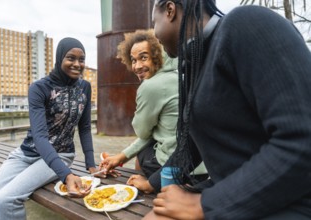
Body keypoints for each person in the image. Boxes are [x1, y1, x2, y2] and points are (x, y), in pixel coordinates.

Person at [144, 0, 311, 219]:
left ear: (170, 10)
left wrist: (204, 205)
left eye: (154, 22)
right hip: (238, 190)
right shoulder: (197, 63)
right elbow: (192, 145)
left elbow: (302, 139)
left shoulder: (247, 24)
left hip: (288, 200)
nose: (154, 33)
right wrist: (151, 182)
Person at [0, 37, 102, 219]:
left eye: (81, 59)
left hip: (61, 155)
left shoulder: (84, 87)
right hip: (25, 154)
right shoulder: (39, 88)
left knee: (5, 201)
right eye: (71, 58)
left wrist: (91, 165)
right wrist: (67, 176)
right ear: (60, 58)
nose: (77, 64)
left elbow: (84, 127)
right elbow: (39, 137)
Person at [101, 29, 207, 193]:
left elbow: (143, 133)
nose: (137, 66)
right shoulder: (181, 76)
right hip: (200, 167)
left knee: (144, 152)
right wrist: (121, 157)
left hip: (176, 169)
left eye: (144, 57)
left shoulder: (151, 86)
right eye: (133, 60)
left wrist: (149, 181)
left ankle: (146, 186)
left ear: (157, 55)